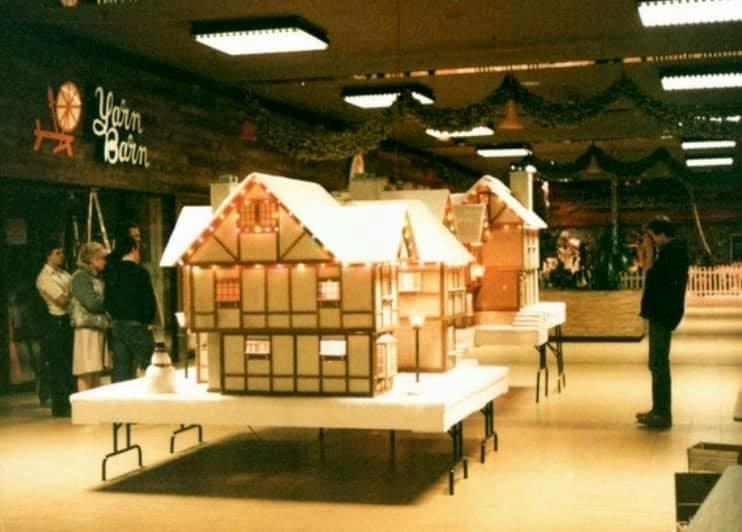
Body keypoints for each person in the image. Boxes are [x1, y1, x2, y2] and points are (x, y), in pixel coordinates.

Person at [637, 216, 689, 429]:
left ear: (659, 234)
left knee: (658, 363)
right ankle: (658, 409)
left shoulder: (672, 254)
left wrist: (648, 253)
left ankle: (662, 413)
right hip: (662, 312)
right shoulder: (673, 252)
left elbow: (650, 275)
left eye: (650, 236)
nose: (649, 241)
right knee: (656, 363)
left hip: (662, 314)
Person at [105, 235, 156, 382]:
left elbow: (107, 299)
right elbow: (147, 299)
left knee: (121, 368)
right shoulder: (140, 272)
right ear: (133, 249)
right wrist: (149, 320)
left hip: (117, 324)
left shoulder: (112, 271)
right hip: (136, 324)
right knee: (150, 363)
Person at [35, 241, 74, 417]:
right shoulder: (44, 277)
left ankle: (70, 400)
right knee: (58, 364)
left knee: (68, 363)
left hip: (67, 320)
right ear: (48, 255)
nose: (61, 255)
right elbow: (62, 300)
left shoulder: (64, 273)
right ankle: (60, 405)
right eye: (57, 252)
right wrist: (73, 293)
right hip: (56, 321)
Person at [69, 242, 110, 391]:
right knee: (86, 370)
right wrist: (108, 302)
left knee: (96, 371)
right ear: (92, 259)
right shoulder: (80, 277)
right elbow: (91, 303)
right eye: (102, 258)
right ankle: (85, 408)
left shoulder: (95, 277)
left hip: (97, 326)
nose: (104, 262)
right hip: (86, 328)